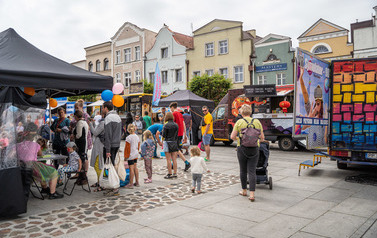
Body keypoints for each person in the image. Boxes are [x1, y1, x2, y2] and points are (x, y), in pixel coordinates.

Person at [17, 122, 63, 199]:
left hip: (22, 167)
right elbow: (40, 154)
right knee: (53, 171)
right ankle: (52, 193)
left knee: (42, 172)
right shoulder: (36, 145)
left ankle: (44, 188)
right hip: (32, 166)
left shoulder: (18, 145)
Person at [230, 104, 264, 202]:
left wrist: (239, 138)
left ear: (241, 112)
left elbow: (232, 137)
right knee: (252, 171)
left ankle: (244, 190)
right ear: (250, 112)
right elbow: (262, 138)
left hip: (242, 149)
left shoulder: (239, 122)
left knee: (243, 170)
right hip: (254, 149)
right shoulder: (257, 122)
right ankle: (252, 194)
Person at [102, 101, 122, 196]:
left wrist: (107, 150)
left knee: (108, 166)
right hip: (116, 144)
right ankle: (112, 185)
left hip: (110, 145)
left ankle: (113, 185)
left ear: (106, 108)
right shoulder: (118, 116)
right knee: (112, 165)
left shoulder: (108, 118)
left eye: (103, 108)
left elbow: (108, 135)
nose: (102, 110)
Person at [169, 102, 191, 172]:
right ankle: (173, 164)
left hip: (175, 134)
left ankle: (186, 162)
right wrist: (185, 134)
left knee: (176, 149)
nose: (170, 110)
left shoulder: (174, 114)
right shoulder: (180, 114)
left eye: (170, 108)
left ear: (172, 107)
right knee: (176, 149)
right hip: (180, 133)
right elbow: (183, 123)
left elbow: (172, 124)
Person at [89, 111, 105, 192]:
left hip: (99, 146)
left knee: (98, 165)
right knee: (97, 164)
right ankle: (99, 181)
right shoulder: (101, 123)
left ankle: (100, 183)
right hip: (98, 145)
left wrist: (90, 124)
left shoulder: (102, 123)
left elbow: (95, 132)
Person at [162, 112, 179, 179]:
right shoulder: (176, 125)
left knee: (168, 159)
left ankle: (169, 173)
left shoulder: (166, 125)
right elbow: (177, 134)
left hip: (167, 142)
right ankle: (175, 173)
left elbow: (164, 135)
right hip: (174, 142)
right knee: (174, 159)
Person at [124, 124, 140, 189]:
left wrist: (125, 156)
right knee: (135, 167)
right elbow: (138, 145)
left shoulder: (128, 138)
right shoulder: (137, 136)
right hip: (136, 153)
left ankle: (130, 183)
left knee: (131, 168)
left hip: (131, 154)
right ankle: (137, 182)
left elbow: (127, 148)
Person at [73, 110, 89, 176]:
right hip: (84, 142)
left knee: (81, 158)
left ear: (76, 116)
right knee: (83, 158)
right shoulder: (85, 122)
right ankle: (81, 174)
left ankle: (80, 174)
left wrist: (73, 137)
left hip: (81, 143)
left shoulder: (80, 123)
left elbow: (79, 135)